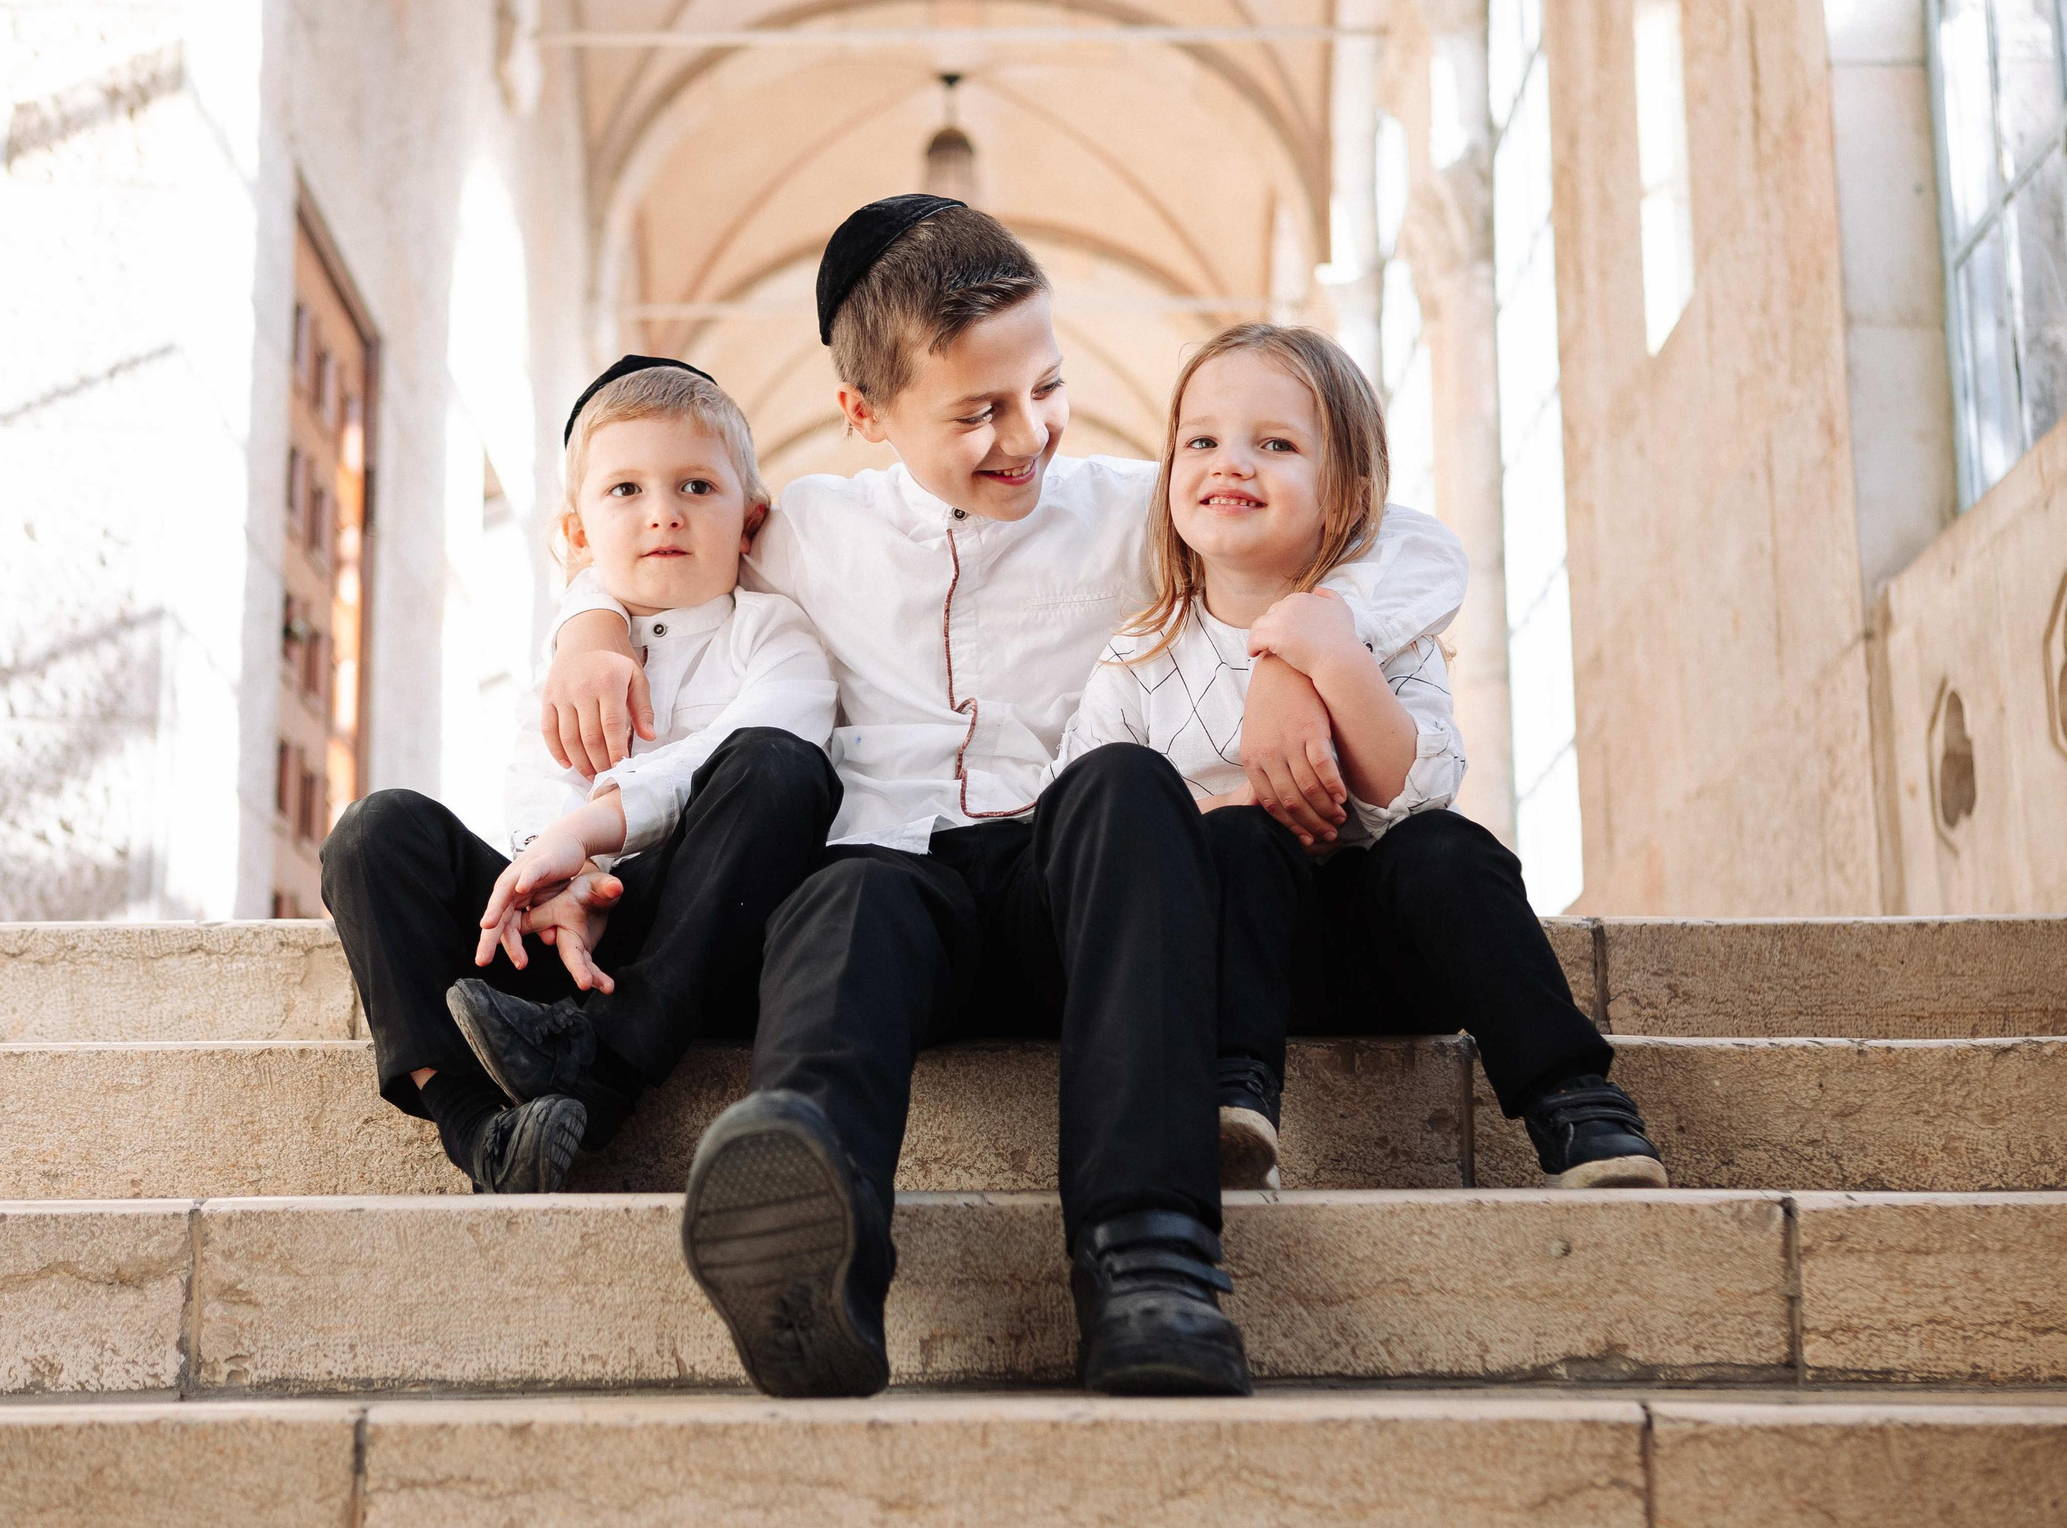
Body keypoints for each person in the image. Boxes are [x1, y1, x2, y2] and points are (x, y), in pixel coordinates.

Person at [539, 198, 1469, 1399]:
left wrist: (1302, 646)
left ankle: (1151, 1258)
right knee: (842, 896)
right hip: (895, 890)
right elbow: (648, 544)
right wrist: (591, 623)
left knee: (1127, 786)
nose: (1024, 433)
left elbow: (1406, 542)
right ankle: (818, 1237)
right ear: (863, 416)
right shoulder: (808, 528)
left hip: (1072, 891)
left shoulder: (1133, 508)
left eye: (1046, 387)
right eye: (975, 412)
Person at [1055, 322, 1665, 1195]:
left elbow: (1413, 790)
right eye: (1202, 440)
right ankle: (1234, 1102)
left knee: (1448, 849)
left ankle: (1576, 1100)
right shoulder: (1137, 658)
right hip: (1219, 970)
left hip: (1382, 957)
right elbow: (1088, 843)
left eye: (1275, 443)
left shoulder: (1387, 632)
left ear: (1344, 495)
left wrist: (1329, 654)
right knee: (1235, 843)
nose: (1231, 462)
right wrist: (1225, 820)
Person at [320, 357, 838, 1196]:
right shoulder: (574, 648)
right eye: (625, 490)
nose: (663, 512)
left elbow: (755, 742)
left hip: (693, 935)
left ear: (751, 520)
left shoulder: (775, 636)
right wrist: (556, 874)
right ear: (576, 535)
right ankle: (477, 1126)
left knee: (778, 769)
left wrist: (583, 839)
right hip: (559, 927)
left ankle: (603, 1068)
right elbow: (539, 770)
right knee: (376, 833)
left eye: (698, 487)